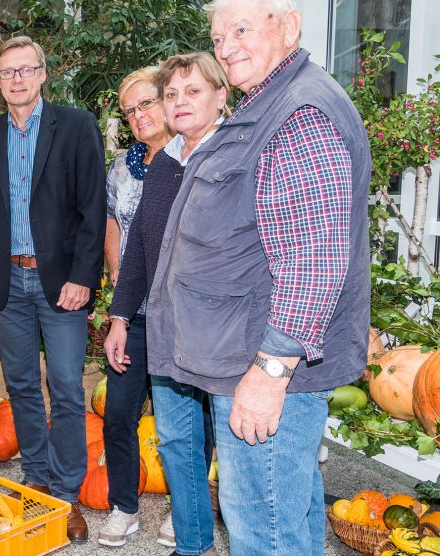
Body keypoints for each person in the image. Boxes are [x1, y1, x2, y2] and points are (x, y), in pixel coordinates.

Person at [146, 1, 372, 553]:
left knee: (265, 534)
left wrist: (270, 373)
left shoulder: (299, 112)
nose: (226, 47)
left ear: (287, 26)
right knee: (278, 522)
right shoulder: (268, 104)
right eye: (218, 37)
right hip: (244, 357)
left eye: (241, 30)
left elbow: (313, 259)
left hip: (265, 369)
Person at [0, 35, 106, 543]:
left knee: (67, 388)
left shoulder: (75, 126)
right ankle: (38, 482)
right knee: (21, 385)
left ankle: (67, 495)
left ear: (43, 74)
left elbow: (94, 209)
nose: (17, 79)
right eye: (7, 73)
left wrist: (84, 276)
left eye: (25, 70)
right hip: (8, 281)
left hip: (61, 281)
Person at [104, 52, 229, 556]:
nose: (175, 104)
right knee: (172, 436)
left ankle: (194, 529)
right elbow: (136, 246)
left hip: (214, 328)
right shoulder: (161, 166)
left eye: (187, 93)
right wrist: (118, 315)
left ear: (221, 97)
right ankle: (188, 538)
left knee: (216, 441)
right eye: (171, 94)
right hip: (153, 319)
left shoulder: (231, 156)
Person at [95, 67, 174, 548]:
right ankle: (124, 505)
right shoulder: (123, 166)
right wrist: (117, 290)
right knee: (119, 413)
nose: (138, 115)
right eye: (129, 110)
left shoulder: (192, 158)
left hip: (179, 313)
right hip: (133, 311)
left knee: (179, 418)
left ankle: (180, 508)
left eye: (146, 103)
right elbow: (113, 225)